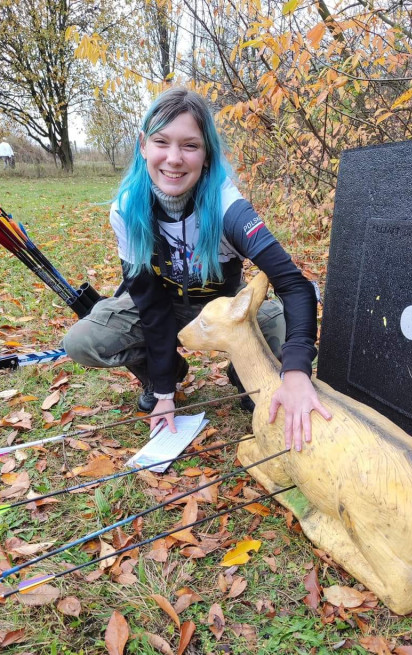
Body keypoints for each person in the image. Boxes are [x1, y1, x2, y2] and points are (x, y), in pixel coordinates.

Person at [63, 87, 330, 450]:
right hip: (165, 307)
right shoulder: (126, 210)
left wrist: (297, 371)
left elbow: (294, 285)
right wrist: (164, 392)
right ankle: (167, 372)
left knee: (283, 328)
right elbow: (149, 303)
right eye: (162, 142)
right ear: (143, 145)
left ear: (206, 155)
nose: (174, 158)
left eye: (189, 145)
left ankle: (247, 373)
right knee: (82, 341)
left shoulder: (228, 208)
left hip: (224, 306)